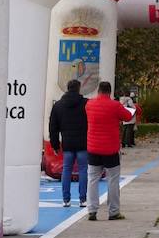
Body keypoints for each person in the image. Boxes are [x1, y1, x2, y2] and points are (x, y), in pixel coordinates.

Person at [85, 80, 134, 221]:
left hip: (93, 148)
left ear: (98, 91)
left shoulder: (89, 105)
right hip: (110, 149)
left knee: (92, 179)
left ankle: (92, 210)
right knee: (112, 180)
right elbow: (127, 116)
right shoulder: (115, 105)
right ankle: (113, 211)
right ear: (110, 92)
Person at [48, 78, 89, 208]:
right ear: (79, 88)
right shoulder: (86, 104)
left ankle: (66, 200)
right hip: (83, 143)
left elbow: (53, 127)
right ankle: (83, 199)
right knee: (83, 170)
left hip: (67, 144)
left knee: (66, 170)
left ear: (67, 88)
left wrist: (55, 145)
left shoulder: (58, 105)